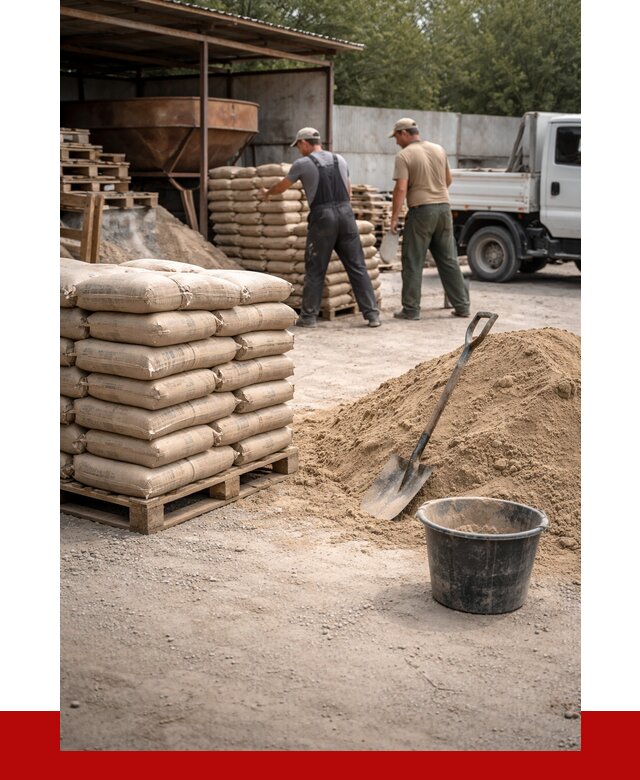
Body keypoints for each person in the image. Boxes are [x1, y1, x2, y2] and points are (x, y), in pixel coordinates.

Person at [258, 127, 381, 328]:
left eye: (298, 145)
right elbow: (348, 192)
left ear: (305, 143)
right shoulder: (340, 160)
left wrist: (268, 193)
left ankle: (308, 317)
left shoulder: (302, 164)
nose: (298, 150)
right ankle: (372, 315)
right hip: (346, 214)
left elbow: (283, 186)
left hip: (323, 218)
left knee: (315, 268)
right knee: (357, 266)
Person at [388, 117, 470, 320]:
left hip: (421, 212)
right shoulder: (438, 149)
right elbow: (448, 179)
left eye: (397, 136)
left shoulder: (404, 155)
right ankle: (462, 306)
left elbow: (400, 188)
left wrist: (394, 218)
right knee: (449, 259)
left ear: (405, 133)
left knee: (413, 260)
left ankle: (411, 309)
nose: (396, 141)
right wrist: (435, 195)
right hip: (444, 209)